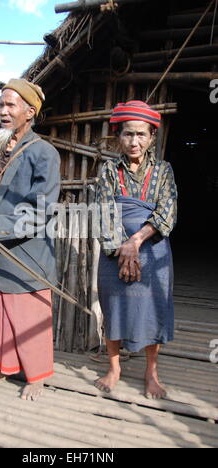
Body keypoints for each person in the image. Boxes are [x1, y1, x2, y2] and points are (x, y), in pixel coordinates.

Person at [0, 79, 61, 401]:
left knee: (29, 315)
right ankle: (0, 369)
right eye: (0, 105)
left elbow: (43, 210)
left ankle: (36, 376)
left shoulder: (44, 154)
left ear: (29, 112)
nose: (2, 111)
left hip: (28, 251)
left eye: (10, 105)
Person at [95, 100, 177, 399]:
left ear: (152, 137)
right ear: (119, 135)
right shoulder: (107, 171)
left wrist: (136, 241)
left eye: (141, 135)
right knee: (113, 306)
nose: (134, 141)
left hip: (152, 248)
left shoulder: (164, 170)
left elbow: (168, 210)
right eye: (128, 134)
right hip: (114, 250)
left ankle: (151, 371)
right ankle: (114, 367)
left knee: (153, 308)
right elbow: (104, 212)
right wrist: (122, 248)